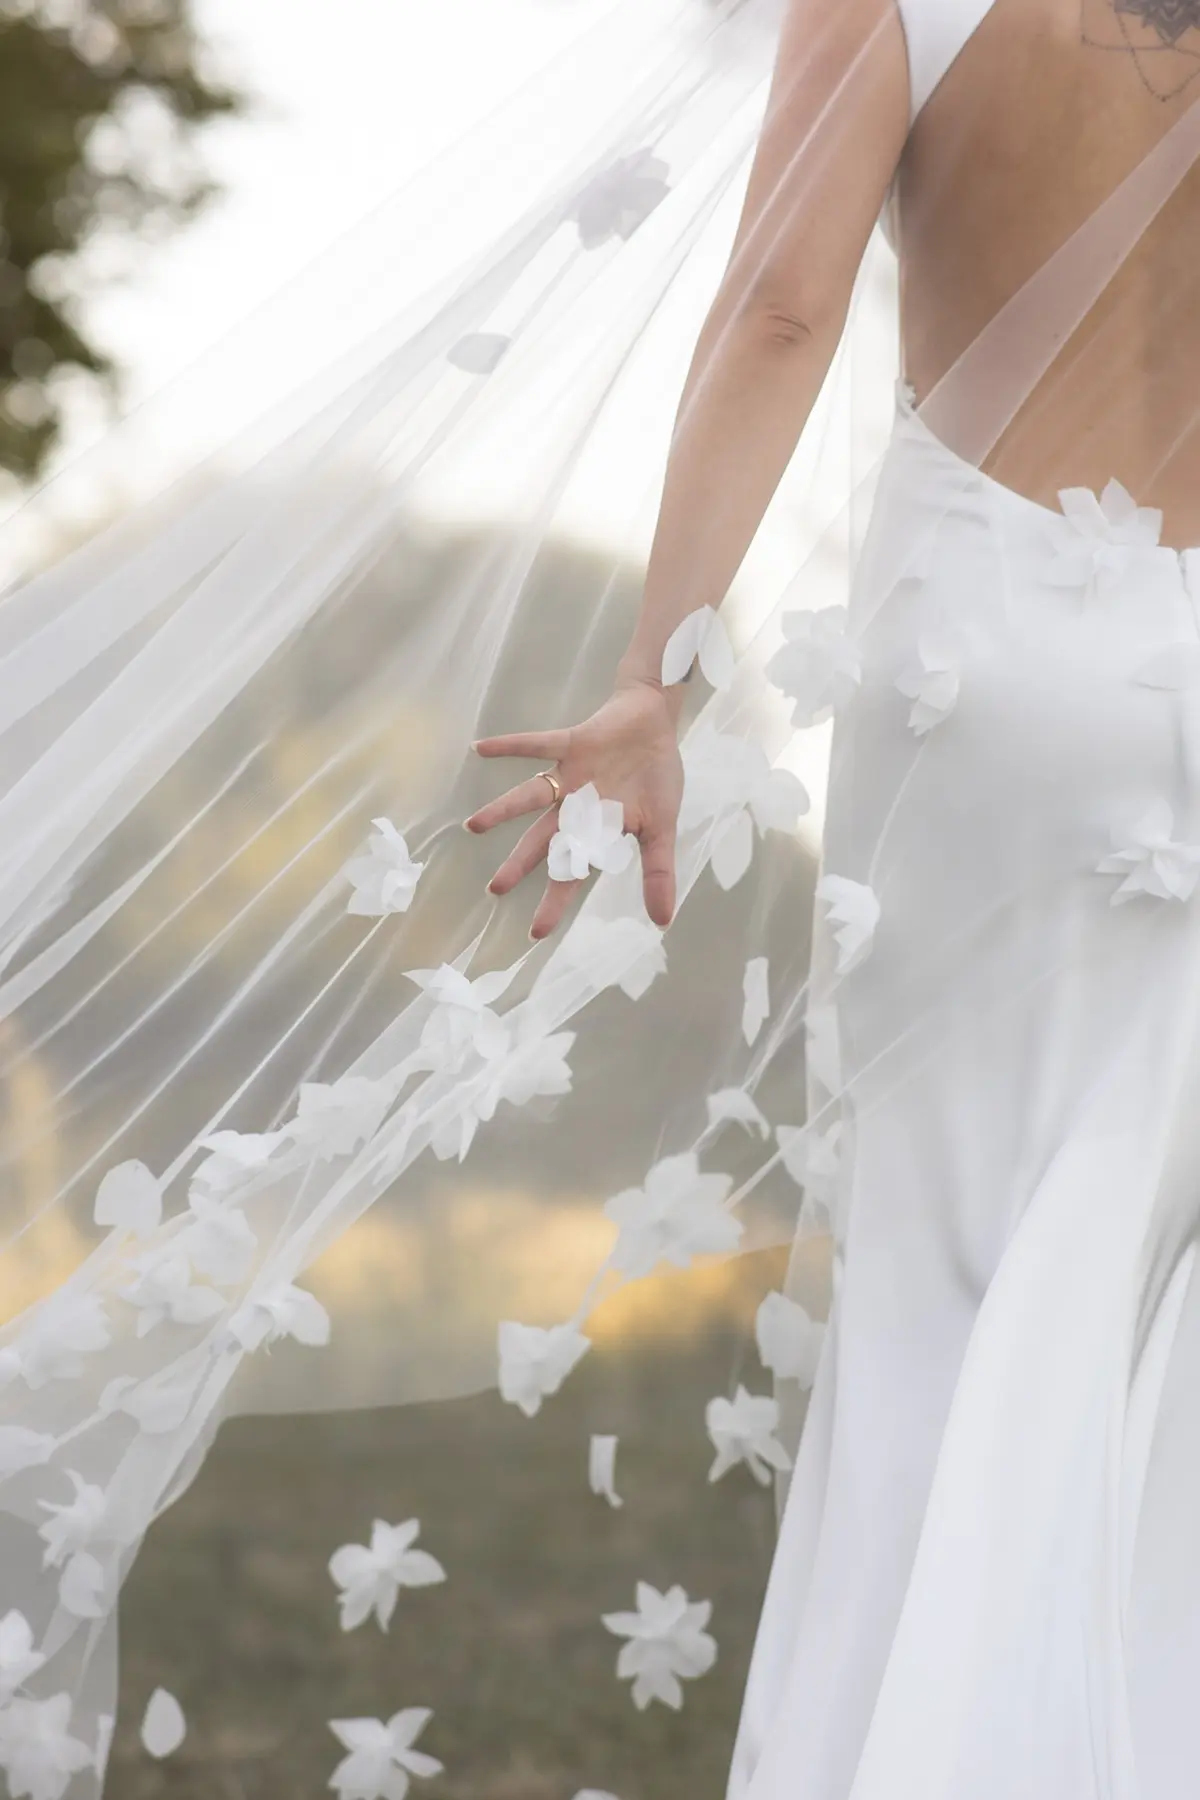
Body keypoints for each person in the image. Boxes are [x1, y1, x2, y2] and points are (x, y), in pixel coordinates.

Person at [3, 2, 1200, 1797]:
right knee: (1135, 1261)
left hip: (983, 688)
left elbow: (780, 309)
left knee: (947, 1278)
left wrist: (662, 675)